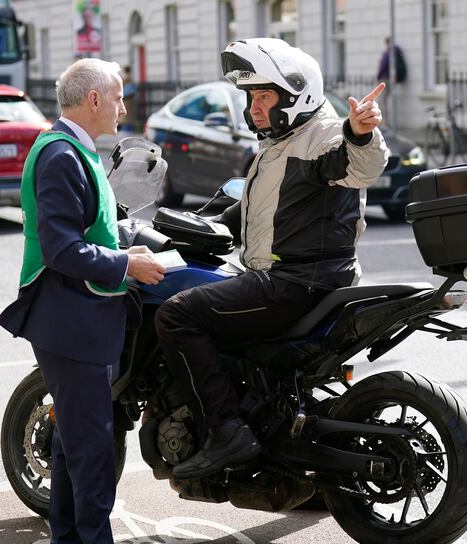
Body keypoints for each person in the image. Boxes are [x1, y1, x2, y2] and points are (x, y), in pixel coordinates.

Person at [154, 38, 389, 481]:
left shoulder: (320, 135)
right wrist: (190, 225)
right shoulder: (279, 144)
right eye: (252, 97)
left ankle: (225, 430)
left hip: (295, 283)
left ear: (295, 95)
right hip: (301, 279)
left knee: (176, 316)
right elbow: (253, 210)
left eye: (264, 96)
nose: (255, 106)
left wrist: (360, 132)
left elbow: (360, 165)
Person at [0, 58, 166, 544]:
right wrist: (126, 265)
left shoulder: (74, 149)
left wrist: (122, 250)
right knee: (91, 451)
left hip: (76, 319)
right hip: (70, 324)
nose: (123, 107)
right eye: (117, 97)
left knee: (74, 446)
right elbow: (61, 248)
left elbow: (83, 234)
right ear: (94, 100)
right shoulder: (62, 156)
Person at [120, 66, 137, 133]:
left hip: (128, 99)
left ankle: (127, 129)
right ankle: (127, 128)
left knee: (127, 115)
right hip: (127, 99)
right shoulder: (129, 78)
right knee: (127, 115)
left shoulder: (127, 79)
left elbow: (129, 90)